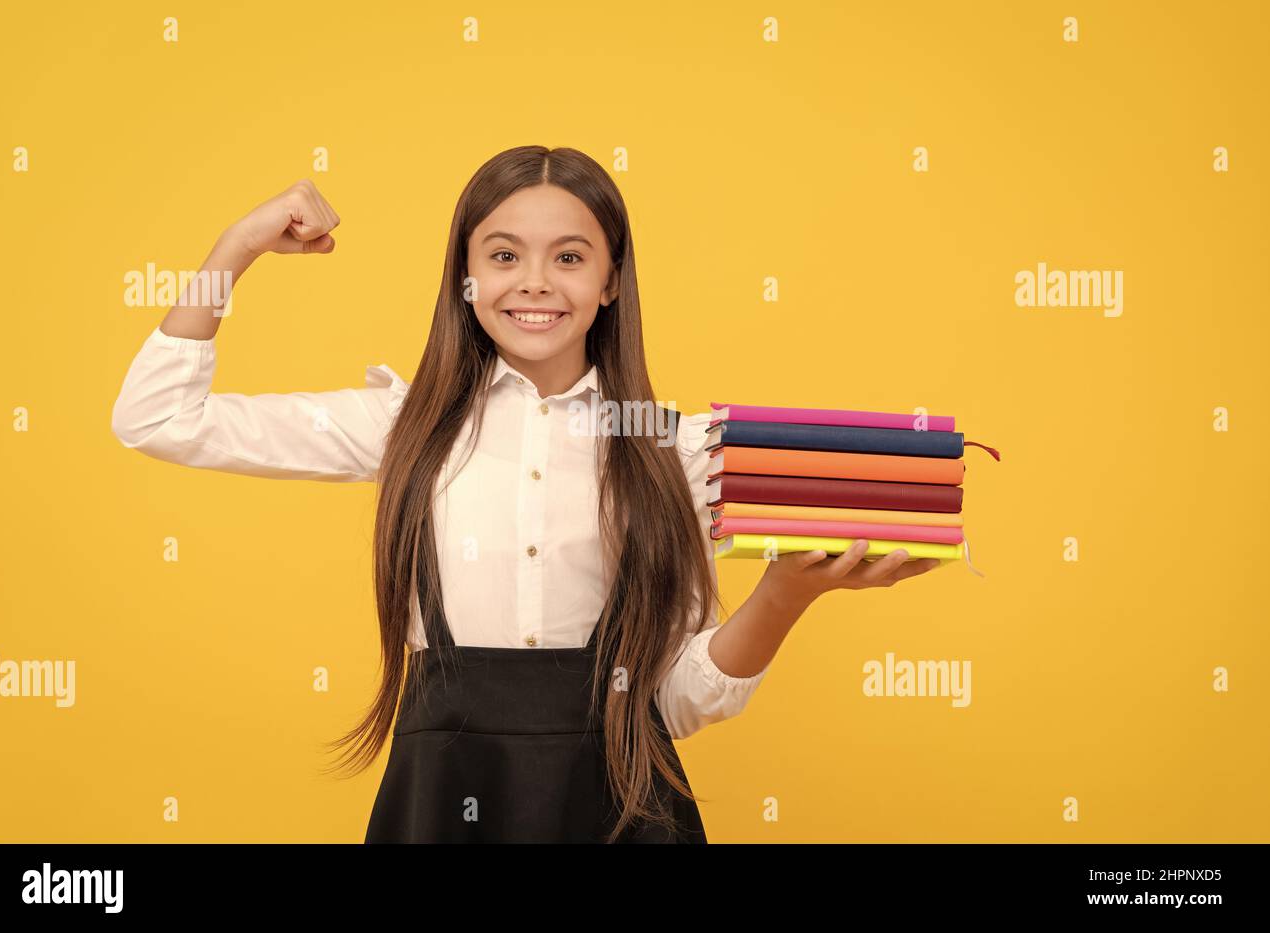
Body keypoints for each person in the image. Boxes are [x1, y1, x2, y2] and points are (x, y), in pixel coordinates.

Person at [111, 146, 940, 843]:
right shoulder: (403, 425)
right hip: (441, 800)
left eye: (570, 257)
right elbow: (157, 416)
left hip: (623, 808)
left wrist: (786, 593)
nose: (534, 283)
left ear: (612, 280)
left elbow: (679, 702)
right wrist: (238, 246)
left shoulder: (676, 447)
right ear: (465, 278)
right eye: (503, 255)